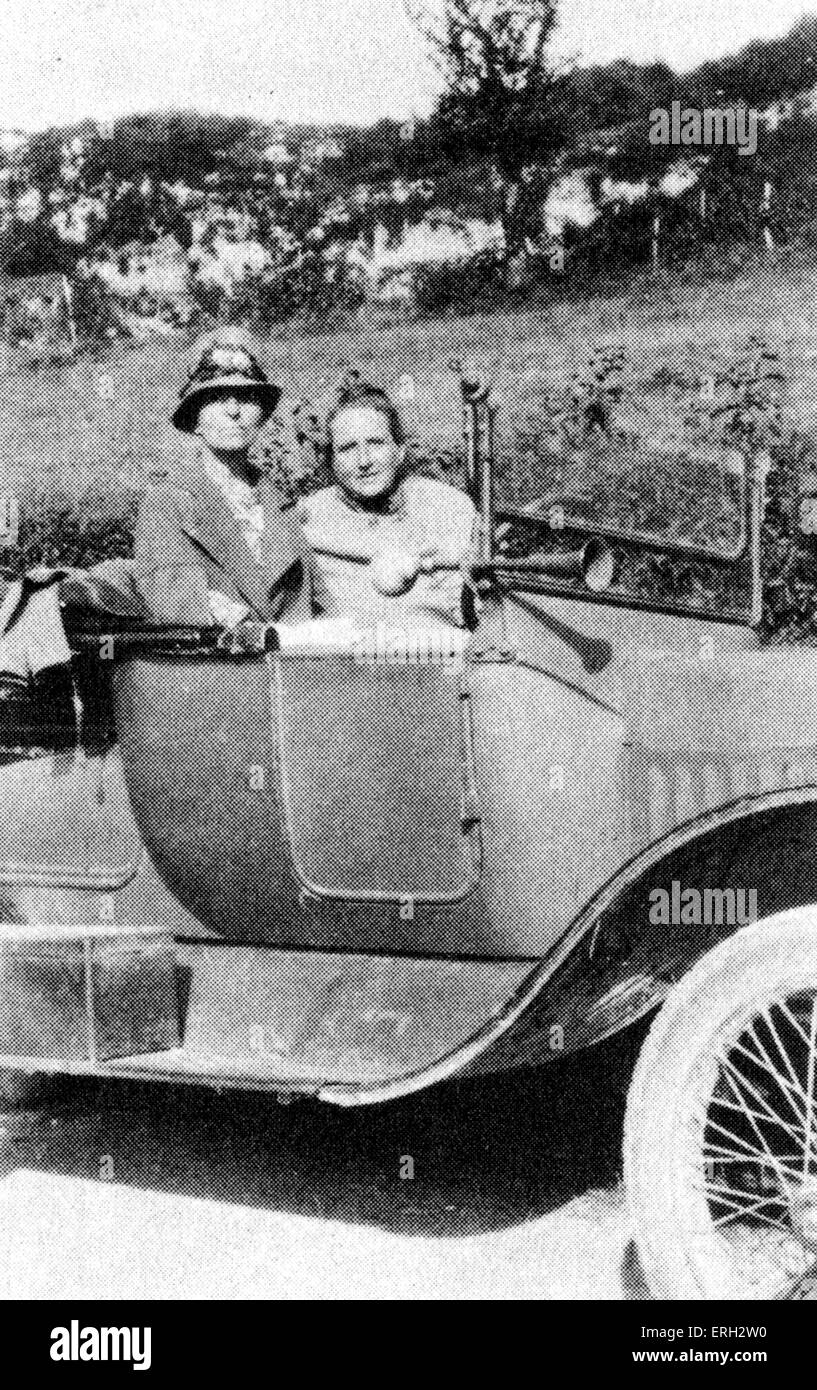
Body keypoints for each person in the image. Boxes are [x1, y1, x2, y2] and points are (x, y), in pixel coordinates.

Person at [134, 327, 330, 632]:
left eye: (245, 396)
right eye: (215, 398)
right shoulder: (168, 501)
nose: (233, 410)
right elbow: (172, 595)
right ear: (195, 419)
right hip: (217, 667)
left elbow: (319, 599)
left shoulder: (279, 501)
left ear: (262, 414)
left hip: (294, 663)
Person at [300, 380, 477, 631]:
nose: (364, 461)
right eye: (348, 448)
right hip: (345, 663)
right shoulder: (310, 519)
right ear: (331, 461)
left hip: (440, 657)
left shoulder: (446, 508)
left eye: (375, 443)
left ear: (400, 450)